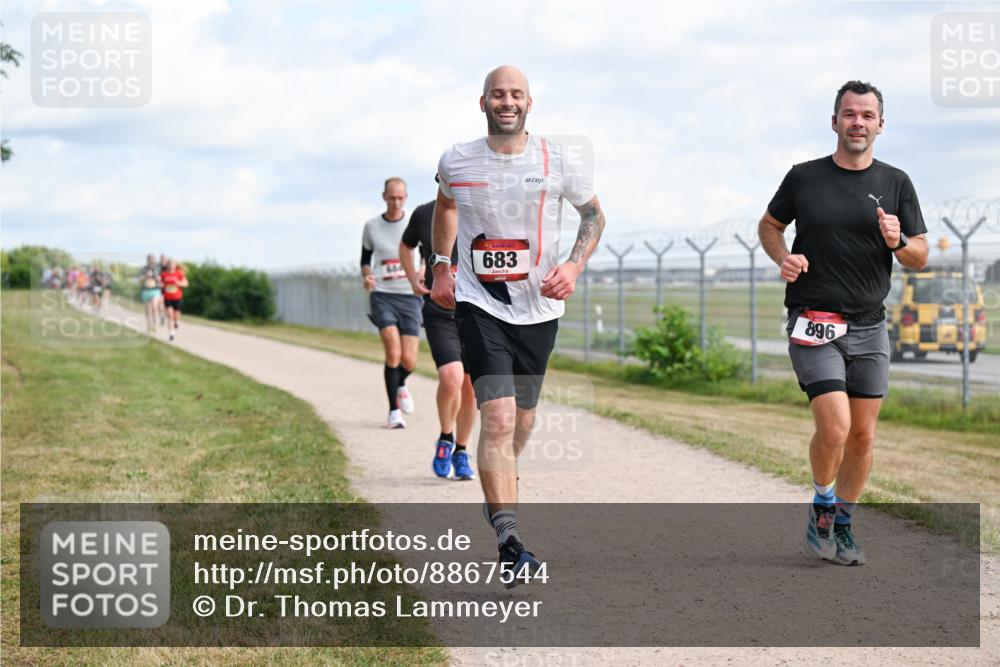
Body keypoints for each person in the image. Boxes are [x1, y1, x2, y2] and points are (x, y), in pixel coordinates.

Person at [430, 65, 605, 586]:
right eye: (497, 95)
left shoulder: (558, 158)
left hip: (540, 310)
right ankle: (510, 540)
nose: (507, 102)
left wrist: (573, 266)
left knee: (522, 422)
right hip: (479, 302)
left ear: (530, 102)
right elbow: (445, 204)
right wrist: (442, 263)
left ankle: (498, 482)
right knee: (499, 419)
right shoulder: (456, 159)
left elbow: (593, 216)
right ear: (481, 102)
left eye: (516, 94)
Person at [758, 80, 929, 566]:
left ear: (880, 124)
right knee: (836, 426)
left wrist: (897, 242)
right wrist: (783, 257)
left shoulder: (896, 183)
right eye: (849, 114)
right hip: (814, 320)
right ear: (834, 122)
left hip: (871, 326)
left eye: (867, 115)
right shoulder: (804, 177)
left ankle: (844, 523)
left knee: (863, 436)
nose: (858, 122)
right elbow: (770, 225)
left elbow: (920, 255)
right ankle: (822, 505)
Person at [400, 197, 477, 480]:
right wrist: (412, 278)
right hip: (439, 312)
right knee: (451, 378)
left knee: (471, 387)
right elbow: (405, 245)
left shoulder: (481, 207)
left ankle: (461, 449)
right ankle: (446, 437)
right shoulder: (424, 214)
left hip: (476, 313)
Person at [361, 178, 423, 429]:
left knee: (409, 361)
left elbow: (425, 254)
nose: (396, 202)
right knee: (393, 353)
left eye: (400, 197)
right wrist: (367, 276)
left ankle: (400, 383)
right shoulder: (372, 226)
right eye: (391, 197)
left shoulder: (414, 223)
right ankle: (393, 412)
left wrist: (421, 271)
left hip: (409, 295)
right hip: (383, 294)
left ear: (406, 197)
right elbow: (365, 259)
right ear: (384, 197)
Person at [160, 258, 188, 341]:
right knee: (170, 315)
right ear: (168, 265)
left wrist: (179, 283)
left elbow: (186, 283)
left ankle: (176, 322)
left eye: (173, 264)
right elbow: (160, 283)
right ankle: (171, 333)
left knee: (177, 314)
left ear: (175, 265)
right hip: (167, 297)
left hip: (177, 297)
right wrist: (161, 284)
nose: (171, 265)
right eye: (170, 264)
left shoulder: (179, 274)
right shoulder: (164, 274)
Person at [139, 254, 164, 333]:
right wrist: (145, 276)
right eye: (149, 259)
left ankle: (155, 325)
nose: (151, 261)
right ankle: (149, 325)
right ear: (147, 260)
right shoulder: (143, 269)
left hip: (155, 290)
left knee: (154, 307)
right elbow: (139, 280)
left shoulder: (158, 268)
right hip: (145, 291)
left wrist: (157, 278)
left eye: (152, 259)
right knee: (147, 310)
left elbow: (161, 279)